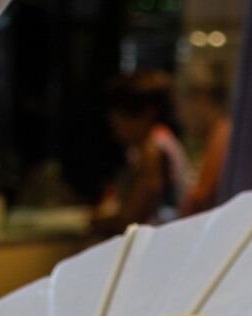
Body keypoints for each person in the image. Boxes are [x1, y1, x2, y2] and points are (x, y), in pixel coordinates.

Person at [91, 71, 191, 235]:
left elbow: (132, 217)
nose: (114, 124)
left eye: (121, 116)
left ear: (146, 113)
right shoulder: (157, 142)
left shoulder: (154, 150)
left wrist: (96, 223)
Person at [177, 59, 232, 217]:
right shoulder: (221, 133)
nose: (180, 116)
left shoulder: (221, 134)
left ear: (200, 98)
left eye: (181, 104)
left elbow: (200, 201)